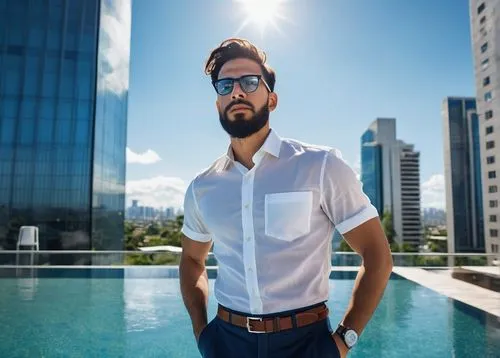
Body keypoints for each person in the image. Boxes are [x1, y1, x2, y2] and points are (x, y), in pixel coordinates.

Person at [179, 38, 393, 358]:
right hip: (226, 342)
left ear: (272, 99)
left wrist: (344, 340)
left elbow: (377, 255)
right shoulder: (202, 186)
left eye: (250, 82)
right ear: (218, 103)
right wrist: (202, 332)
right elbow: (192, 260)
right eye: (225, 85)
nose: (237, 91)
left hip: (308, 344)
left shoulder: (321, 166)